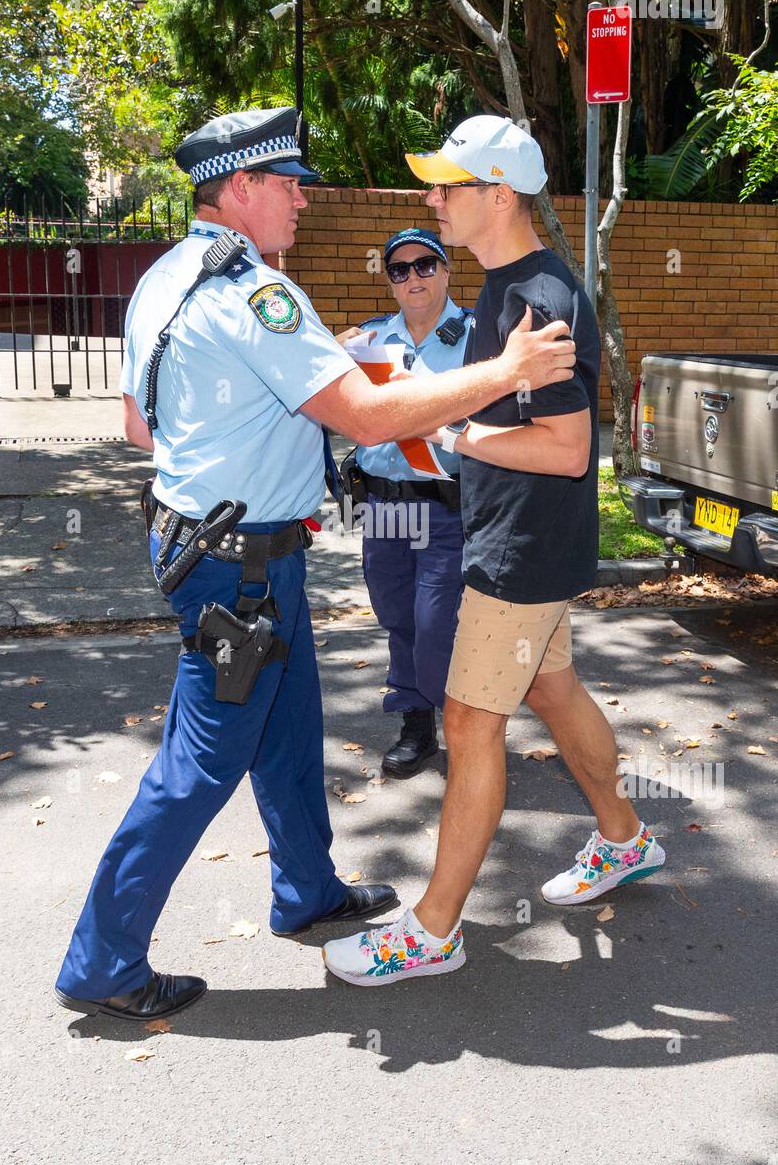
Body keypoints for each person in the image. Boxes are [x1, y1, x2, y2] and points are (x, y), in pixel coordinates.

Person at [54, 106, 577, 1022]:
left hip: (226, 549)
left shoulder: (163, 277)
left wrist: (253, 416)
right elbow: (370, 421)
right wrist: (506, 370)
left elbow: (141, 425)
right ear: (243, 188)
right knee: (199, 764)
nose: (303, 199)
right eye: (290, 184)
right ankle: (103, 957)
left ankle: (307, 893)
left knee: (288, 736)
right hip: (239, 567)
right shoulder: (261, 293)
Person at [322, 114, 666, 988]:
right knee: (550, 688)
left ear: (499, 193)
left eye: (448, 184)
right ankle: (625, 839)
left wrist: (459, 433)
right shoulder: (505, 289)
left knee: (469, 722)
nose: (432, 199)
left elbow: (568, 450)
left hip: (518, 553)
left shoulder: (537, 303)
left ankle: (432, 932)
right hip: (522, 544)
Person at [347, 227, 471, 778]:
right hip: (385, 509)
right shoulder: (368, 341)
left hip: (445, 508)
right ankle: (417, 727)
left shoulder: (476, 337)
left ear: (446, 270)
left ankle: (471, 729)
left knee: (437, 621)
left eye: (425, 265)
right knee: (398, 616)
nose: (413, 277)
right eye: (399, 270)